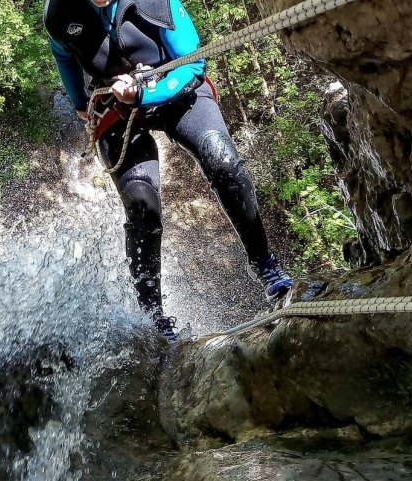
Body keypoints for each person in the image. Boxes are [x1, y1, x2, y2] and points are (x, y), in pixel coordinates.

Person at [44, 0, 293, 341]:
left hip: (174, 88)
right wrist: (77, 102)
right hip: (114, 104)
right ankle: (154, 317)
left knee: (222, 160)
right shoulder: (60, 11)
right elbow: (63, 53)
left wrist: (145, 93)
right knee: (141, 203)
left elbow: (193, 66)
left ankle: (265, 264)